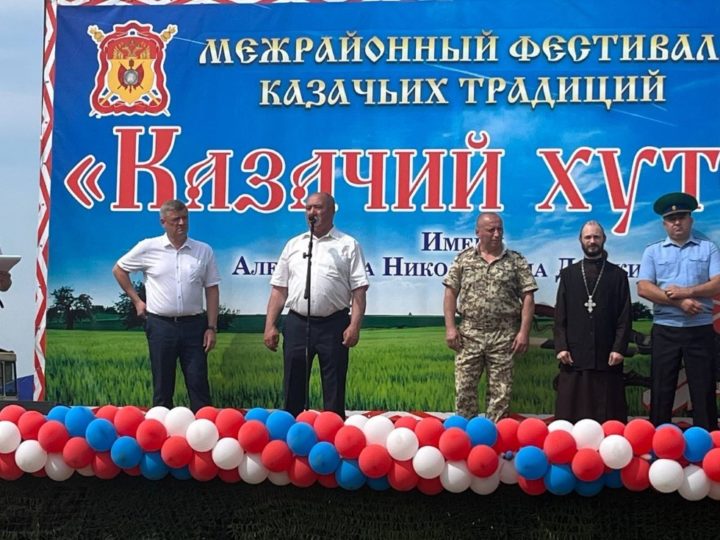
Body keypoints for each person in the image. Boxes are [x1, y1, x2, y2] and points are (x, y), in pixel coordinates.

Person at [264, 192, 369, 419]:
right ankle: (292, 430)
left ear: (332, 210)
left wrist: (354, 325)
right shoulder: (294, 244)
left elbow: (359, 290)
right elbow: (279, 289)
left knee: (334, 385)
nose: (312, 212)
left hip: (334, 324)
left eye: (318, 207)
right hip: (297, 322)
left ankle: (332, 431)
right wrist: (270, 325)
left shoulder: (348, 245)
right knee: (292, 383)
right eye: (308, 208)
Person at [112, 199, 220, 412]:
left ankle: (204, 428)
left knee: (198, 384)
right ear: (163, 222)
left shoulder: (203, 250)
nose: (181, 223)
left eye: (185, 218)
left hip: (194, 326)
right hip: (160, 325)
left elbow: (212, 289)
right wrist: (137, 301)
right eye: (175, 220)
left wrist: (211, 327)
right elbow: (119, 269)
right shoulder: (148, 247)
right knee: (162, 386)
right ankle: (160, 430)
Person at [443, 212, 537, 422]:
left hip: (504, 335)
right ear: (478, 232)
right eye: (491, 230)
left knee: (500, 395)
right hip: (469, 334)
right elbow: (450, 293)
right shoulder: (464, 258)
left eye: (499, 229)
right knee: (464, 390)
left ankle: (495, 437)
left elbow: (528, 297)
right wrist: (450, 328)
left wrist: (523, 332)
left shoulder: (516, 260)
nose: (496, 234)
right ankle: (465, 435)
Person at [637, 192, 720, 430]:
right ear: (664, 224)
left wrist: (687, 292)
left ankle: (707, 443)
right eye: (671, 219)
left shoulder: (708, 248)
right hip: (666, 330)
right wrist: (679, 303)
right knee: (661, 390)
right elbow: (643, 288)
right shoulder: (653, 251)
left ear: (690, 220)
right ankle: (658, 442)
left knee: (703, 390)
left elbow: (717, 283)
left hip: (700, 330)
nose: (677, 222)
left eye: (681, 217)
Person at [553, 221, 632, 423]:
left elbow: (624, 316)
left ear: (604, 239)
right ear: (580, 240)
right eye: (587, 237)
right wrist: (561, 346)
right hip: (574, 355)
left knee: (608, 415)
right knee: (571, 412)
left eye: (596, 237)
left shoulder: (618, 275)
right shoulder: (568, 274)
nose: (592, 241)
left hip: (607, 356)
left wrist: (619, 348)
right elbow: (560, 314)